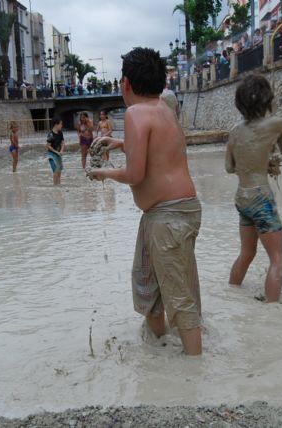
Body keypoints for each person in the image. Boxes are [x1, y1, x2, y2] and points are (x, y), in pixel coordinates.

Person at [88, 47, 203, 356]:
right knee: (148, 283)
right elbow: (158, 148)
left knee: (179, 296)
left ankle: (196, 370)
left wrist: (104, 172)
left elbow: (136, 174)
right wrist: (121, 143)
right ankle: (159, 347)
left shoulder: (135, 113)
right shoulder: (165, 108)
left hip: (170, 216)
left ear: (125, 83)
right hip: (167, 214)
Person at [225, 74, 282, 302]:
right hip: (261, 198)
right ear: (266, 99)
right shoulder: (274, 124)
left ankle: (230, 295)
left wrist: (256, 161)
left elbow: (229, 167)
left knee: (247, 253)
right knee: (279, 259)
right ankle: (272, 316)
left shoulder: (234, 131)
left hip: (242, 198)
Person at [46, 117, 65, 185]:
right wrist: (56, 152)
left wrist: (62, 150)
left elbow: (63, 142)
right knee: (55, 170)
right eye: (61, 124)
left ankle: (58, 185)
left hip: (58, 154)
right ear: (56, 125)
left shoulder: (60, 133)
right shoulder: (50, 134)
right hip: (51, 154)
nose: (62, 125)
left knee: (59, 171)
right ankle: (55, 187)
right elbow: (48, 146)